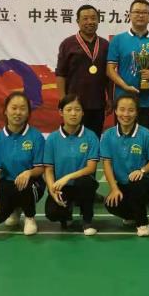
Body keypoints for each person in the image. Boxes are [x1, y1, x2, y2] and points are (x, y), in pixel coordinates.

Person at [0, 91, 46, 236]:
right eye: (14, 108)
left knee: (24, 185)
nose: (18, 112)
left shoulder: (36, 137)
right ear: (5, 111)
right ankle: (15, 209)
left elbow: (40, 168)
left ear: (28, 112)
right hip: (8, 184)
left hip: (32, 184)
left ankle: (29, 217)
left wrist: (28, 172)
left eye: (23, 108)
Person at [101, 95, 149, 237]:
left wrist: (142, 170)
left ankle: (143, 223)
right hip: (124, 184)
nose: (126, 114)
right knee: (111, 203)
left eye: (131, 110)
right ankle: (132, 215)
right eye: (122, 109)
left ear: (137, 112)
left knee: (136, 185)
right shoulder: (108, 135)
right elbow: (107, 164)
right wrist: (114, 189)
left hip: (148, 182)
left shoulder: (146, 134)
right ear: (115, 111)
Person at [43, 95, 101, 235]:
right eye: (69, 109)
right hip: (62, 187)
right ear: (61, 112)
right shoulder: (52, 139)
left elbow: (91, 168)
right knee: (52, 213)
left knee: (86, 182)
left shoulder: (91, 136)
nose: (73, 113)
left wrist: (68, 177)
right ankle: (66, 215)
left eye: (77, 109)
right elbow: (48, 170)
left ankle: (87, 220)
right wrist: (52, 189)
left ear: (83, 112)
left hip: (82, 184)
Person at [107, 0, 149, 133]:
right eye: (137, 12)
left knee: (146, 139)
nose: (140, 15)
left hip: (148, 102)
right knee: (122, 139)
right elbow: (110, 70)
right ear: (129, 15)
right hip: (124, 102)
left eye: (144, 12)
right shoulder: (118, 40)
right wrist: (125, 87)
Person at [55, 4, 110, 137]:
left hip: (97, 103)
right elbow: (60, 74)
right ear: (78, 21)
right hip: (74, 104)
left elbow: (109, 75)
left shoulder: (105, 45)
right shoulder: (67, 44)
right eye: (85, 18)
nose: (90, 22)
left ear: (98, 20)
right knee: (73, 139)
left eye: (93, 18)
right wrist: (63, 100)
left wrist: (110, 98)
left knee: (94, 138)